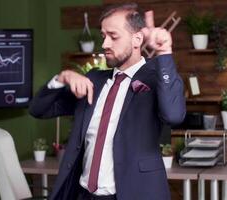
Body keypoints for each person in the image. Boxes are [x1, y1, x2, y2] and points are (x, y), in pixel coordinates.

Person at [29, 3, 186, 200]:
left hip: (133, 194)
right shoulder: (93, 79)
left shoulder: (157, 79)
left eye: (114, 36)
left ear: (137, 39)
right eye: (103, 36)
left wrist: (164, 53)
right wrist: (63, 78)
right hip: (84, 194)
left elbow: (173, 115)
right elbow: (38, 110)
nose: (104, 45)